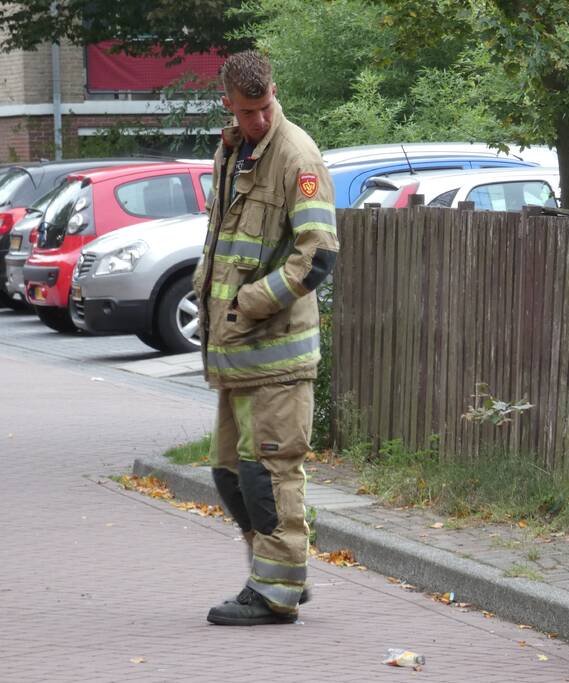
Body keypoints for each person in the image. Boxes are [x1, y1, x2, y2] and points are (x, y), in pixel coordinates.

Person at [193, 50, 339, 626]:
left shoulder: (296, 155)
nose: (256, 120)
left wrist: (250, 303)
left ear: (273, 92)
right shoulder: (232, 149)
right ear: (227, 101)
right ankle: (282, 572)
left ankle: (277, 593)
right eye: (244, 110)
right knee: (229, 475)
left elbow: (319, 255)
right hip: (235, 353)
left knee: (268, 474)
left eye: (263, 108)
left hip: (276, 352)